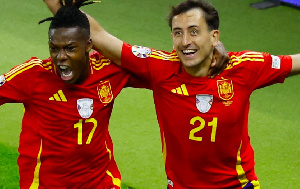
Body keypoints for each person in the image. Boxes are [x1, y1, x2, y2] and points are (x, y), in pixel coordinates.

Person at [45, 0, 300, 188]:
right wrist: (61, 9)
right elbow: (98, 35)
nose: (185, 41)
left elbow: (294, 62)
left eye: (194, 31)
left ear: (214, 37)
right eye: (178, 33)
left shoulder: (246, 67)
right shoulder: (160, 67)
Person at [0, 1, 136, 188]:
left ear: (89, 45)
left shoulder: (108, 70)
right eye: (54, 48)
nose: (60, 57)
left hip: (101, 182)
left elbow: (154, 71)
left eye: (70, 48)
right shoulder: (34, 74)